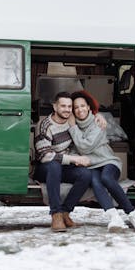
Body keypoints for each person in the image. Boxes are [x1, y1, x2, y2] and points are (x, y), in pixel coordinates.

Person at [68, 90, 135, 232]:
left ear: (88, 107)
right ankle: (114, 218)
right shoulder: (72, 127)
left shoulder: (98, 123)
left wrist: (74, 127)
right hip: (92, 166)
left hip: (108, 162)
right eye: (76, 107)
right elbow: (76, 149)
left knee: (105, 178)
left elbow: (84, 147)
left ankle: (133, 215)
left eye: (82, 106)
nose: (79, 109)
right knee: (95, 181)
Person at [34, 90, 93, 233]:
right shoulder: (45, 125)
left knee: (85, 175)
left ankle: (66, 212)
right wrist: (74, 159)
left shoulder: (72, 121)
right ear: (55, 107)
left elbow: (89, 116)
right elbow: (45, 155)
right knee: (54, 166)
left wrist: (100, 117)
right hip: (45, 168)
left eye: (69, 107)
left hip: (64, 166)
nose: (67, 110)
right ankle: (56, 214)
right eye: (63, 106)